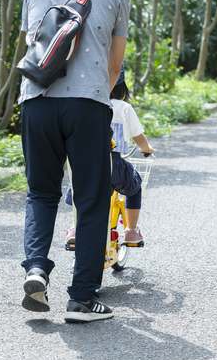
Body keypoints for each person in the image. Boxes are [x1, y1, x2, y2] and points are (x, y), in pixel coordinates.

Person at [18, 0, 131, 323]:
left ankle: (36, 269)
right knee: (91, 198)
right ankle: (81, 299)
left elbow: (33, 45)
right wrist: (97, 95)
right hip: (87, 105)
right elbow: (115, 65)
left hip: (36, 100)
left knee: (41, 192)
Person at [64, 65, 154, 245]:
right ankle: (131, 231)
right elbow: (139, 138)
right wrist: (147, 148)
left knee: (78, 189)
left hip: (88, 166)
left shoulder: (86, 105)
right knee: (135, 186)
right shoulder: (124, 107)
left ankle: (76, 227)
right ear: (122, 86)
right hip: (115, 166)